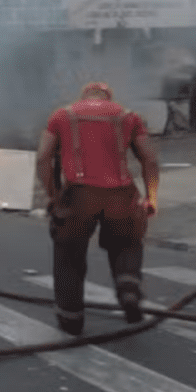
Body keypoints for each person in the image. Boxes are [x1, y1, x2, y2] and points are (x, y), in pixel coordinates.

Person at [36, 81, 159, 336]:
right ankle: (128, 290)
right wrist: (151, 197)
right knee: (127, 243)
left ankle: (71, 319)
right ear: (108, 97)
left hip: (79, 194)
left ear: (84, 95)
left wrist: (53, 195)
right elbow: (150, 158)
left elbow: (42, 157)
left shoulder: (62, 115)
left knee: (69, 255)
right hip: (121, 194)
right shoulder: (128, 116)